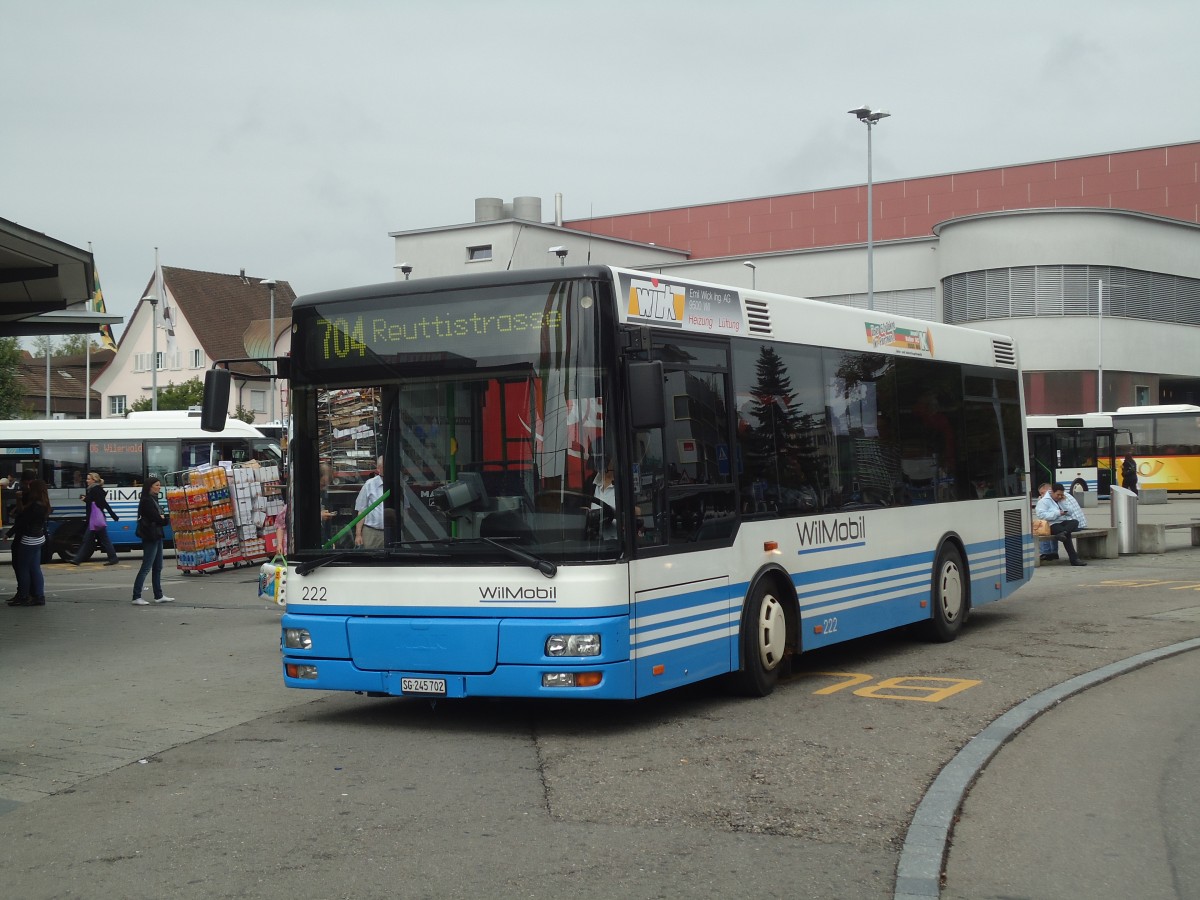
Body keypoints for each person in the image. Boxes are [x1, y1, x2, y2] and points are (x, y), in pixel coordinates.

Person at [8, 479, 51, 606]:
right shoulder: (44, 503)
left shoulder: (34, 505)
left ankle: (24, 596)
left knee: (23, 569)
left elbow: (22, 521)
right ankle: (39, 596)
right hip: (39, 538)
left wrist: (8, 533)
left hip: (29, 539)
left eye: (30, 487)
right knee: (35, 568)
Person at [131, 477, 173, 606]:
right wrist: (164, 519)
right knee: (146, 566)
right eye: (157, 485)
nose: (159, 487)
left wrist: (162, 518)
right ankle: (136, 596)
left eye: (159, 485)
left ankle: (158, 595)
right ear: (150, 486)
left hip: (157, 535)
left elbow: (160, 517)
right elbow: (157, 518)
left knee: (158, 566)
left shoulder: (154, 499)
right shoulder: (147, 501)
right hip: (150, 536)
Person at [71, 472, 120, 566]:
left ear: (93, 480)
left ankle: (77, 559)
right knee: (99, 539)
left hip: (96, 519)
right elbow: (98, 502)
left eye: (88, 479)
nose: (87, 480)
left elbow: (101, 503)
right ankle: (113, 558)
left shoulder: (95, 489)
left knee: (90, 539)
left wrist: (85, 499)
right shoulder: (95, 489)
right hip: (96, 519)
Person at [1034, 481, 1087, 566]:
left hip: (1063, 522)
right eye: (1057, 494)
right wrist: (1057, 513)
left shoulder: (1062, 499)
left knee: (1075, 522)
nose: (1059, 496)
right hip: (1051, 524)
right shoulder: (1043, 501)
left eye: (1061, 494)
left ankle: (1063, 533)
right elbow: (1041, 515)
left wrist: (1063, 502)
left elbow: (1070, 512)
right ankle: (1074, 559)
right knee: (1067, 535)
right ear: (1052, 492)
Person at [354, 456, 385, 549]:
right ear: (379, 468)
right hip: (372, 533)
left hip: (393, 532)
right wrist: (358, 534)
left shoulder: (399, 484)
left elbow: (405, 509)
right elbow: (361, 510)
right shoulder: (369, 484)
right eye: (384, 466)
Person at [1034, 483, 1057, 561]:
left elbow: (1041, 516)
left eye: (1043, 493)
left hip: (1057, 524)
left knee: (1042, 527)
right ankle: (1054, 552)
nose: (1042, 495)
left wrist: (1040, 502)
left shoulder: (1048, 499)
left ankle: (1045, 552)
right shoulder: (1058, 496)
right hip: (1064, 523)